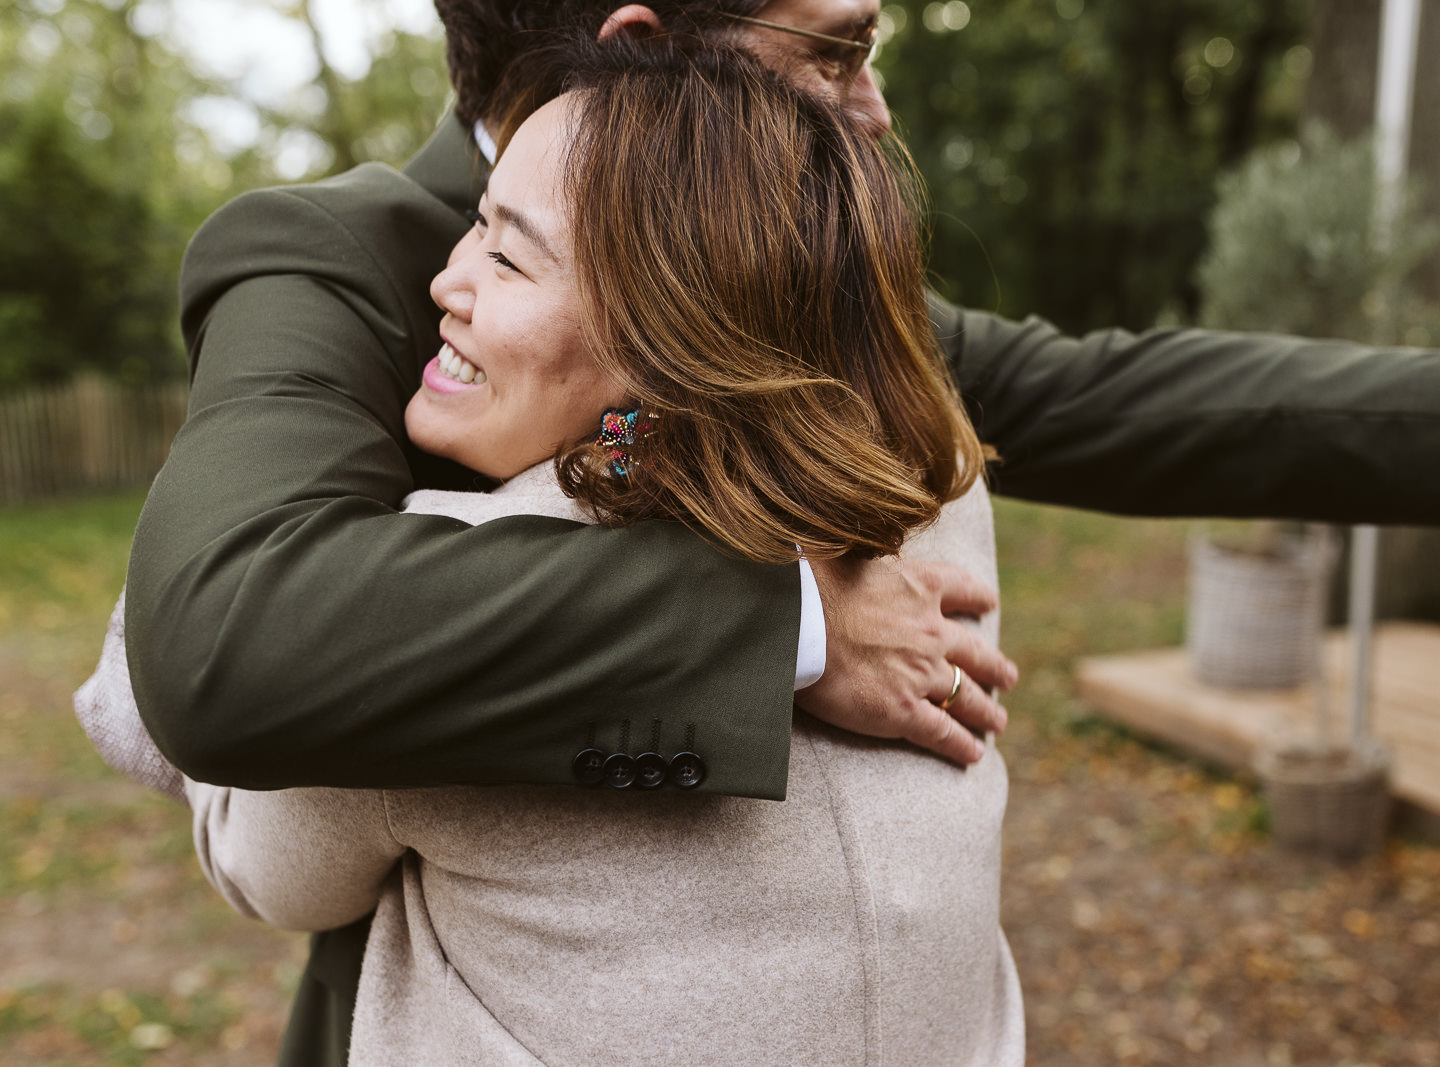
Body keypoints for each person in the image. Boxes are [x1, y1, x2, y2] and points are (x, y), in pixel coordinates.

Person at [110, 1, 1440, 1062]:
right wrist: (793, 620)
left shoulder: (792, 300)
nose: (874, 104)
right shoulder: (330, 259)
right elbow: (234, 633)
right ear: (647, 49)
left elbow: (1112, 395)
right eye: (838, 52)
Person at [188, 40, 1020, 1064]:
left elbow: (267, 869)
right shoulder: (941, 493)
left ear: (668, 345)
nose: (446, 279)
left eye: (508, 257)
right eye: (475, 225)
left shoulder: (447, 590)